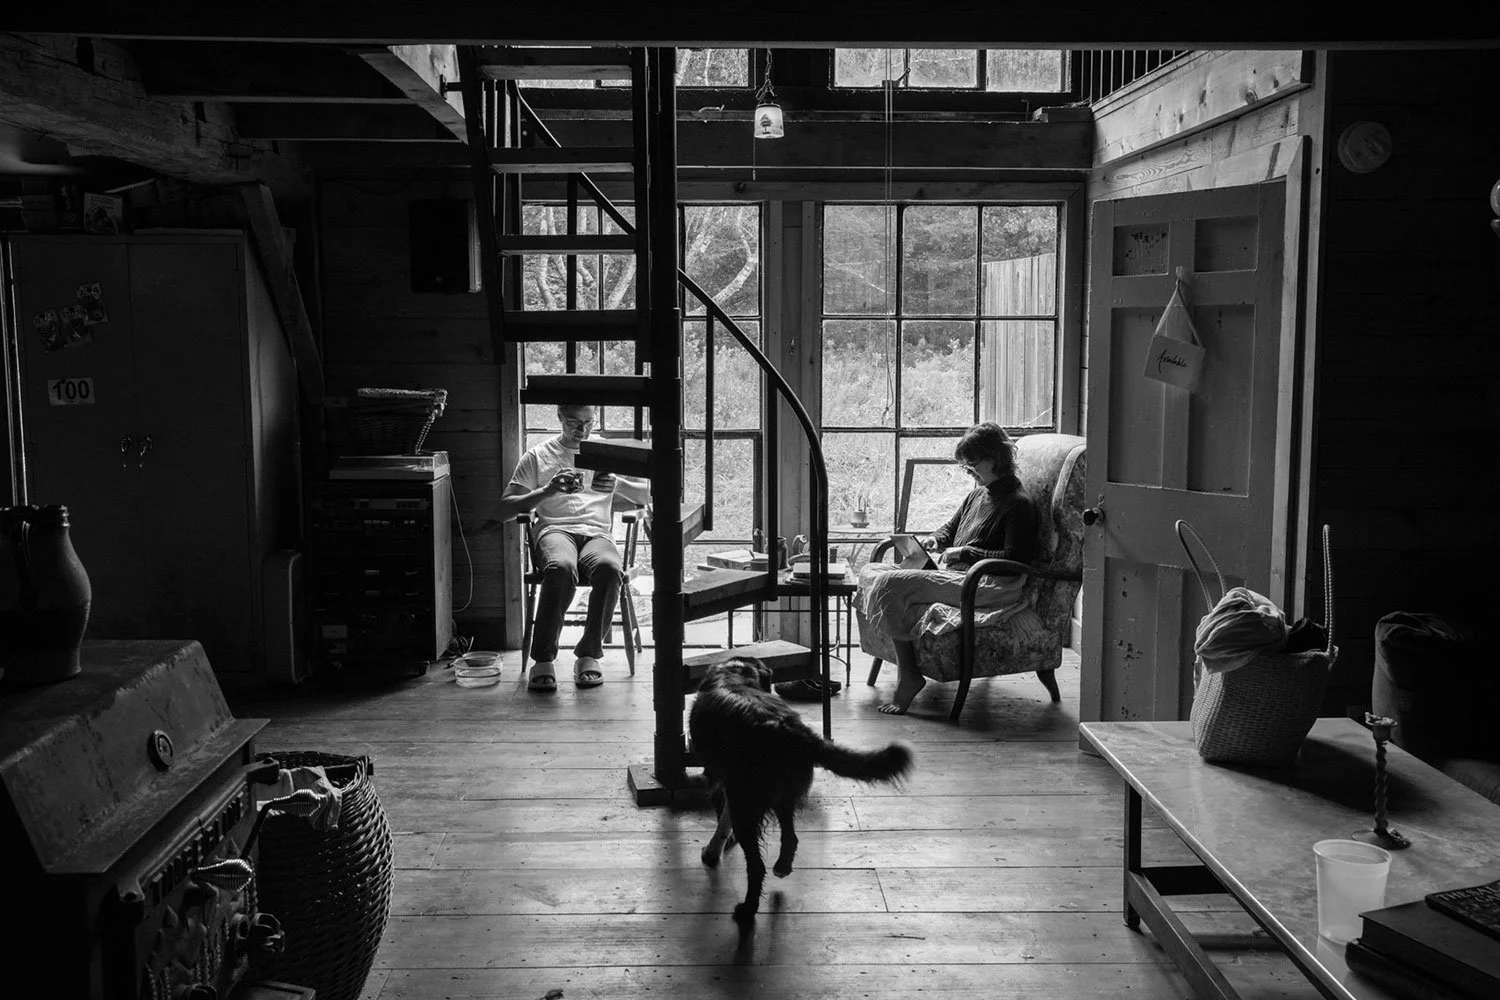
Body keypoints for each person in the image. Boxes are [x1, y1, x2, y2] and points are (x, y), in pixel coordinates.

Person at [855, 422, 1038, 715]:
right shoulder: (978, 494)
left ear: (994, 458)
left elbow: (1016, 559)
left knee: (889, 584)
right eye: (966, 466)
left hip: (989, 583)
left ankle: (908, 677)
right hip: (960, 575)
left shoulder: (1019, 504)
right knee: (872, 572)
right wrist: (934, 540)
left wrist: (964, 552)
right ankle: (908, 670)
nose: (969, 471)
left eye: (972, 464)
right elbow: (950, 529)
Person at [499, 403, 649, 692]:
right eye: (573, 422)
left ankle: (589, 654)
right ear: (558, 417)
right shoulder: (539, 455)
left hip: (596, 534)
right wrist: (547, 491)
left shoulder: (606, 453)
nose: (583, 430)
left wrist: (618, 484)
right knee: (561, 568)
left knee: (609, 568)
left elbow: (649, 494)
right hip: (555, 530)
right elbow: (505, 507)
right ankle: (543, 658)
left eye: (589, 422)